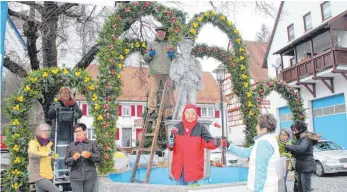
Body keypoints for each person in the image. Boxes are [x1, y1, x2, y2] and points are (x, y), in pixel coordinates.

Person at [223, 114, 280, 192]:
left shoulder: (263, 143)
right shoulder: (267, 140)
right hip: (268, 187)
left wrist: (257, 190)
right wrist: (229, 145)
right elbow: (246, 152)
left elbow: (260, 171)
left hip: (264, 188)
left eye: (258, 125)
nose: (256, 127)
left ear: (265, 129)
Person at [168, 104, 222, 185]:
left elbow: (208, 142)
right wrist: (170, 144)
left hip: (193, 169)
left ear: (196, 115)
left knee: (193, 190)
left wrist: (215, 143)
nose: (190, 116)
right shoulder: (177, 127)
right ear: (184, 114)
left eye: (193, 114)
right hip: (179, 169)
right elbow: (171, 145)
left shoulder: (201, 128)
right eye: (188, 113)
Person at [47, 87, 82, 177]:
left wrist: (77, 114)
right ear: (60, 94)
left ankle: (70, 172)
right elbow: (49, 115)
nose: (65, 94)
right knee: (61, 155)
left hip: (70, 133)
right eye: (63, 93)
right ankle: (61, 173)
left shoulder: (73, 104)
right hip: (59, 133)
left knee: (71, 154)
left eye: (67, 93)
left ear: (70, 94)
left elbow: (80, 113)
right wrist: (55, 109)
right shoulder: (56, 103)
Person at [143, 26, 175, 120]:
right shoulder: (151, 44)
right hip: (154, 71)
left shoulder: (170, 44)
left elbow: (176, 57)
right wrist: (150, 54)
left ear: (165, 33)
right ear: (156, 33)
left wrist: (172, 55)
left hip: (167, 72)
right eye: (158, 32)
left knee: (169, 91)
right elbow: (145, 58)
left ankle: (168, 113)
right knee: (153, 91)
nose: (160, 33)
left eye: (162, 32)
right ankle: (152, 110)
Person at [170, 37, 204, 120]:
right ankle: (181, 115)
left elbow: (200, 74)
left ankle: (193, 116)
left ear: (191, 48)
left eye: (188, 46)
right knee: (182, 101)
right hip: (181, 84)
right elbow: (172, 73)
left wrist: (195, 72)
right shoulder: (176, 61)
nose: (186, 48)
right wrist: (180, 79)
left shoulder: (196, 61)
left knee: (192, 102)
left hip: (192, 84)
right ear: (180, 48)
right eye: (184, 46)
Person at [284, 121, 320, 192]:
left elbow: (301, 148)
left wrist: (288, 147)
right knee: (300, 188)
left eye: (294, 129)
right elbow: (299, 151)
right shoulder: (300, 139)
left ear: (300, 129)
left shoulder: (306, 138)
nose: (293, 131)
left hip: (306, 167)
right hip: (301, 167)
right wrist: (290, 151)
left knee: (305, 189)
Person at [65, 123, 101, 192]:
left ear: (85, 132)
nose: (78, 133)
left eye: (80, 131)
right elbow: (66, 161)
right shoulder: (70, 146)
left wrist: (90, 155)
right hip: (75, 178)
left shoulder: (92, 143)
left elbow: (98, 158)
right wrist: (73, 158)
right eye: (76, 131)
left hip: (90, 177)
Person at [28, 123, 59, 192]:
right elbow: (32, 154)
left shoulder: (48, 144)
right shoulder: (33, 143)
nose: (46, 132)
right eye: (43, 131)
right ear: (38, 132)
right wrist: (47, 153)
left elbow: (48, 159)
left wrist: (54, 157)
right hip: (38, 175)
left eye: (47, 131)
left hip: (47, 174)